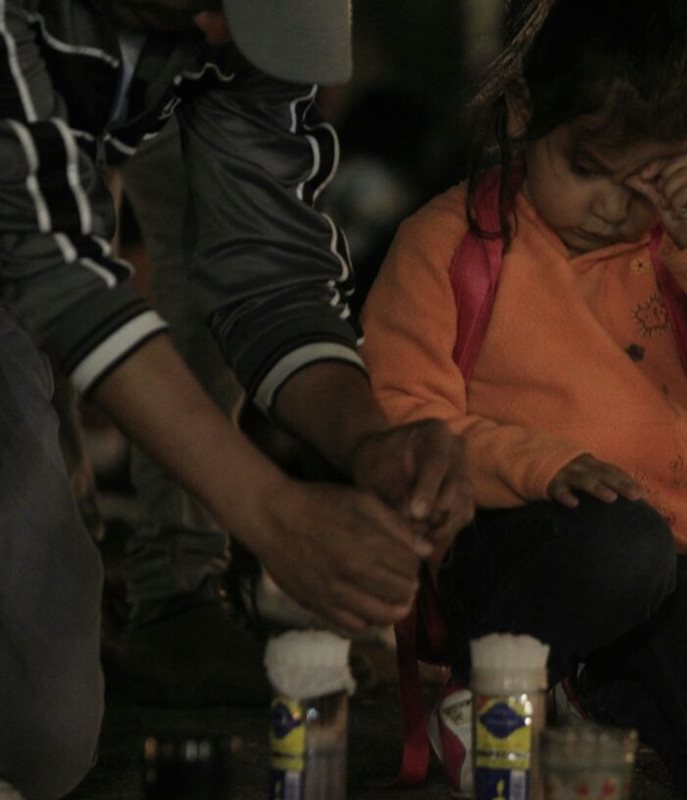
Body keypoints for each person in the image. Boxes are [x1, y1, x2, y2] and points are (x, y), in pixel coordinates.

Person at [359, 1, 687, 797]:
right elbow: (403, 423)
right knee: (622, 546)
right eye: (587, 170)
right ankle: (493, 690)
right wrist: (545, 466)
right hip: (518, 549)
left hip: (677, 553)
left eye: (643, 180)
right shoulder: (449, 245)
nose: (614, 206)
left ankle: (587, 690)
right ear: (522, 114)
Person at [0, 0, 471, 795]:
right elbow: (51, 266)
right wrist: (269, 509)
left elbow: (269, 266)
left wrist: (365, 441)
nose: (218, 34)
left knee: (43, 739)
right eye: (217, 3)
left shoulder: (228, 28)